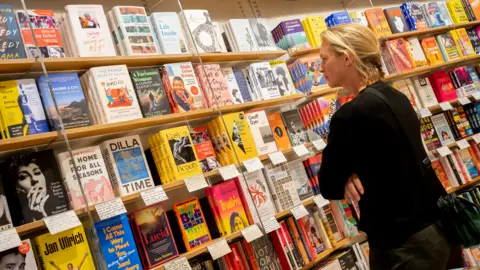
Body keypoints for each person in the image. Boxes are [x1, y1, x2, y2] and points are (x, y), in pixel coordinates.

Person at [317, 23, 462, 269]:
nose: (320, 67)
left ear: (347, 58)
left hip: (402, 245)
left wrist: (345, 175)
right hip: (439, 229)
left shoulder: (351, 114)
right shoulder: (397, 96)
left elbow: (328, 184)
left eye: (324, 58)